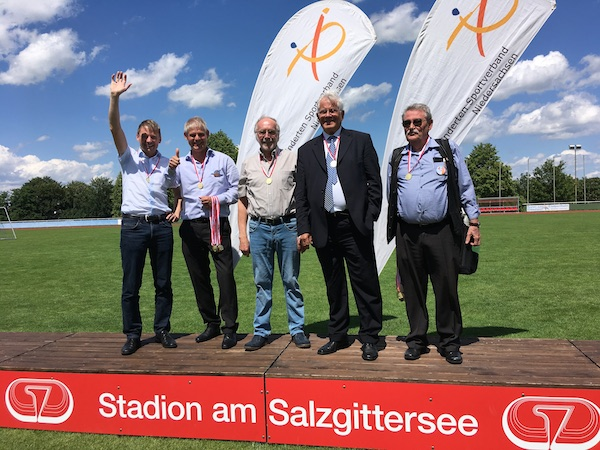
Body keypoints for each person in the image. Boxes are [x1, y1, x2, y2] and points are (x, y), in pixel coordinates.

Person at [386, 103, 481, 365]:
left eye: (417, 122)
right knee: (413, 290)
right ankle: (416, 339)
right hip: (407, 233)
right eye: (407, 123)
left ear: (429, 124)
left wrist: (474, 222)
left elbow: (465, 185)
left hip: (442, 231)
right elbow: (391, 196)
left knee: (446, 287)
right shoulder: (396, 157)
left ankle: (449, 341)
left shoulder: (447, 150)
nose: (412, 127)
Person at [295, 91, 383, 361]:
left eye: (333, 110)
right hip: (324, 227)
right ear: (318, 117)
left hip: (355, 224)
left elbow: (374, 182)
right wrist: (304, 228)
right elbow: (302, 194)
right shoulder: (306, 150)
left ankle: (369, 337)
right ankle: (338, 335)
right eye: (323, 111)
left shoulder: (361, 141)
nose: (328, 115)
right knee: (334, 285)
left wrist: (370, 215)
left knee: (364, 282)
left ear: (342, 115)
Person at [108, 71, 179, 356]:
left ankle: (162, 329)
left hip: (161, 227)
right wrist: (114, 98)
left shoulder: (168, 163)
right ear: (138, 137)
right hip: (134, 227)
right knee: (131, 284)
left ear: (160, 138)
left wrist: (177, 209)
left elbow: (177, 192)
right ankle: (133, 334)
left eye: (154, 136)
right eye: (144, 136)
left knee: (163, 283)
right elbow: (114, 128)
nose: (149, 140)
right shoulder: (128, 158)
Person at [238, 116, 310, 351]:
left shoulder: (292, 158)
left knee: (291, 280)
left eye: (271, 132)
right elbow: (242, 201)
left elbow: (303, 196)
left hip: (288, 226)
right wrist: (242, 235)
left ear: (277, 134)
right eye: (262, 132)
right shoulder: (248, 164)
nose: (266, 136)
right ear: (256, 135)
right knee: (262, 282)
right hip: (258, 228)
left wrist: (303, 229)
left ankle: (297, 329)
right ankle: (261, 331)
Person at [170, 117, 239, 349]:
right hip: (191, 227)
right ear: (186, 138)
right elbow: (171, 187)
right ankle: (211, 323)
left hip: (217, 224)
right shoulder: (179, 164)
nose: (197, 139)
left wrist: (216, 200)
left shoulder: (223, 159)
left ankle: (230, 328)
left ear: (207, 134)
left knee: (225, 276)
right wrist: (170, 169)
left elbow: (236, 190)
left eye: (200, 134)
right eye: (192, 135)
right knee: (199, 278)